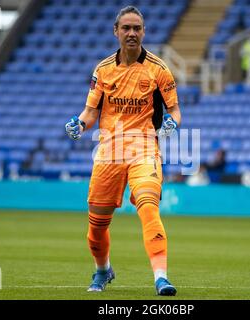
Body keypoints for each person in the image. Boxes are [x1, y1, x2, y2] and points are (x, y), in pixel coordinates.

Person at [65, 6, 181, 296]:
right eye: (126, 28)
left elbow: (176, 111)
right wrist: (79, 123)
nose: (131, 33)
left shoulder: (158, 69)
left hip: (144, 149)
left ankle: (161, 278)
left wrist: (170, 123)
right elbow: (91, 112)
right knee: (96, 228)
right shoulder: (103, 70)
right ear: (116, 31)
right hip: (109, 152)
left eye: (136, 28)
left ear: (143, 32)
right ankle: (103, 270)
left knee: (148, 207)